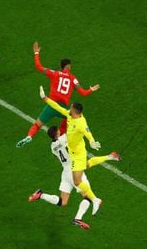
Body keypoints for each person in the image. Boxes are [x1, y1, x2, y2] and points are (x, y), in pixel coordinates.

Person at [28, 126, 121, 229]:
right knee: (88, 196)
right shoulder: (65, 138)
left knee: (63, 202)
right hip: (74, 170)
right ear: (57, 133)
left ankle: (41, 195)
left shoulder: (52, 146)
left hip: (65, 172)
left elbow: (58, 154)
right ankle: (78, 218)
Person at [16, 42, 100, 148]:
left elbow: (38, 66)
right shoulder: (72, 78)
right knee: (69, 118)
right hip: (63, 108)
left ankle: (29, 136)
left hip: (51, 105)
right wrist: (91, 89)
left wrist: (36, 53)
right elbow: (83, 93)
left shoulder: (55, 74)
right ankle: (63, 137)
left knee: (37, 124)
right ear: (69, 66)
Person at [38, 86, 103, 215]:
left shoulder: (80, 123)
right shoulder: (68, 120)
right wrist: (45, 98)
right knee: (80, 186)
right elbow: (58, 107)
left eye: (71, 107)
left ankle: (94, 201)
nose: (69, 108)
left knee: (77, 185)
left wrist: (91, 141)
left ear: (75, 111)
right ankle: (93, 201)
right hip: (72, 156)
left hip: (78, 155)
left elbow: (87, 131)